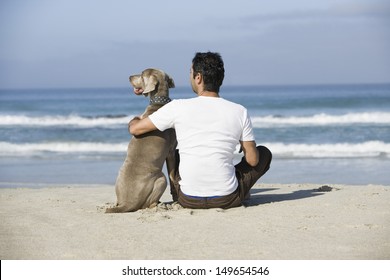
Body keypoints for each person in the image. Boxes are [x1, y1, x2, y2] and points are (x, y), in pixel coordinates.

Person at [129, 52, 272, 209]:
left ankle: (182, 190)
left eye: (190, 73)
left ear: (198, 78)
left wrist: (136, 119)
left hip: (188, 199)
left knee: (176, 153)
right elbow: (252, 160)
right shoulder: (240, 111)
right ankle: (238, 189)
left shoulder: (177, 107)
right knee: (263, 153)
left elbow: (135, 129)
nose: (190, 77)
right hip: (227, 199)